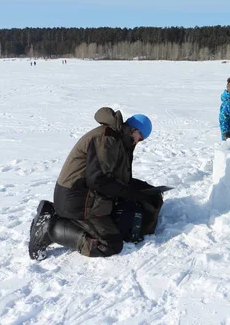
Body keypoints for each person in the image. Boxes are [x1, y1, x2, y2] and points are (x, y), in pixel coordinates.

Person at [28, 107, 163, 260]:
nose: (139, 142)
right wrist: (128, 192)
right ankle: (51, 228)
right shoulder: (107, 139)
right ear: (135, 130)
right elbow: (97, 180)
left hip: (79, 196)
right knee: (111, 244)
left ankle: (57, 214)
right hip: (77, 199)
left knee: (115, 220)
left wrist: (141, 190)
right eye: (141, 137)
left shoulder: (116, 139)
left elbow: (114, 177)